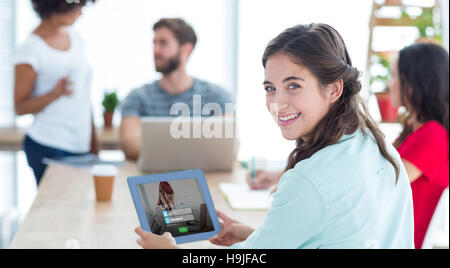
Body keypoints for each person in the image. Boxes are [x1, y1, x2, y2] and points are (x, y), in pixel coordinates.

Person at [134, 23, 414, 249]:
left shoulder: (308, 181)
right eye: (270, 88)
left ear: (333, 89)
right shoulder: (378, 147)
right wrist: (253, 236)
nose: (277, 103)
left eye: (293, 85)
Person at [120, 18, 233, 160]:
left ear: (186, 49)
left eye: (163, 43)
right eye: (154, 43)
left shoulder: (217, 96)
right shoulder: (137, 97)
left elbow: (230, 145)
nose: (156, 50)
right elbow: (130, 143)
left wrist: (164, 151)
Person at [14, 0, 97, 186]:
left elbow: (83, 96)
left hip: (80, 146)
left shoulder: (76, 38)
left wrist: (93, 144)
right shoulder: (30, 49)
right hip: (48, 145)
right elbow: (19, 106)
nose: (81, 13)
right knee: (57, 211)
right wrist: (54, 93)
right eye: (78, 6)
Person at [388, 42, 449, 249]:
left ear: (414, 83)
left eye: (394, 76)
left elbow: (382, 186)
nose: (390, 84)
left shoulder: (432, 135)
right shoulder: (416, 132)